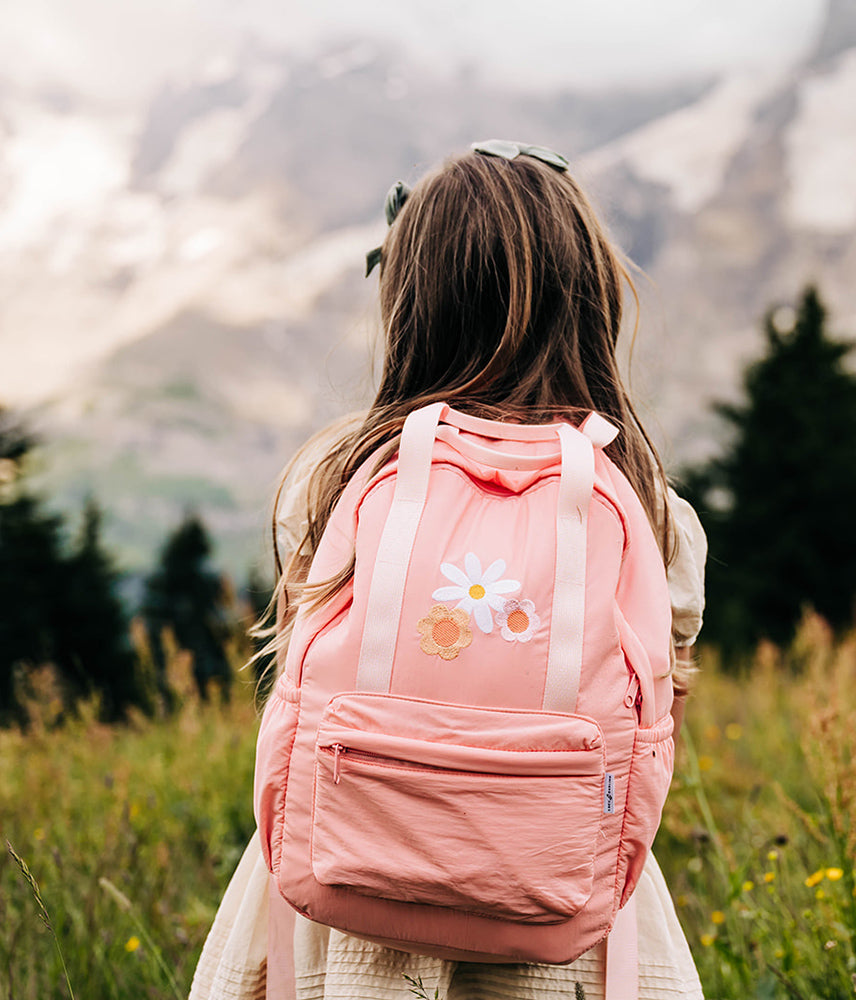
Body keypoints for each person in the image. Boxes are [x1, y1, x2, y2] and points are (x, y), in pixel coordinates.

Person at [189, 141, 708, 1000]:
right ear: (589, 301)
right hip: (556, 891)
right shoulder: (649, 510)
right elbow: (657, 721)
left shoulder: (334, 480)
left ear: (410, 304)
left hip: (349, 882)